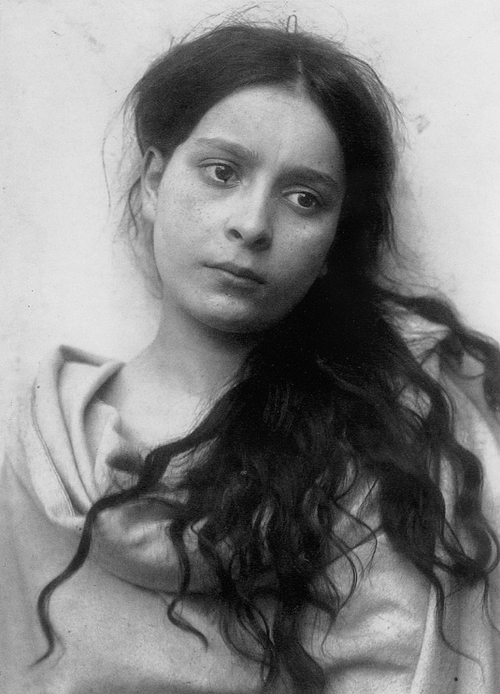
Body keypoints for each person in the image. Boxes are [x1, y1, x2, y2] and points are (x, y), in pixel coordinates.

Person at [1, 20, 499, 694]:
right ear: (153, 184)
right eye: (222, 172)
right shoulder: (40, 450)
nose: (252, 225)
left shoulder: (399, 456)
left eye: (304, 199)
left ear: (332, 243)